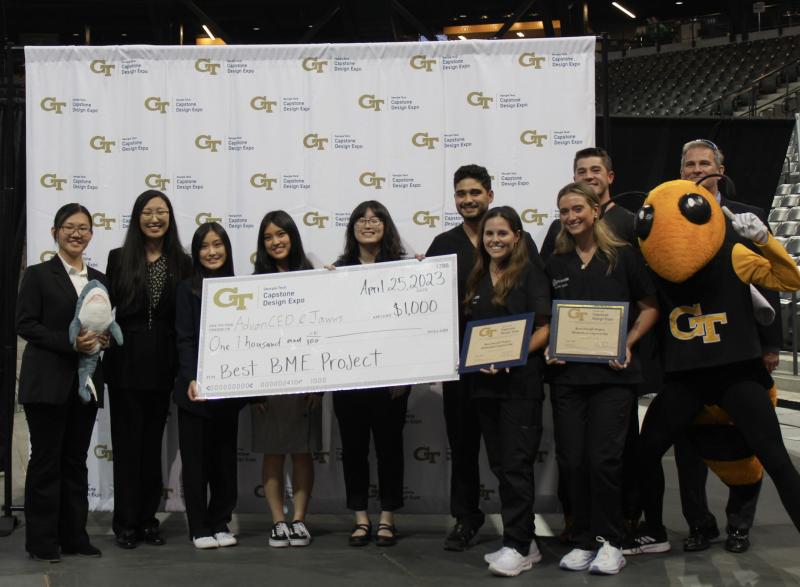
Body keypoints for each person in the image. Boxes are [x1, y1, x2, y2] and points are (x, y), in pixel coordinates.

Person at [425, 164, 543, 551]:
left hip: (509, 374)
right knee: (463, 446)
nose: (467, 200)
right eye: (460, 193)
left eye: (475, 192)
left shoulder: (522, 251)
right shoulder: (443, 244)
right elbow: (423, 300)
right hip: (460, 368)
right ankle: (466, 516)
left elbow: (540, 313)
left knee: (506, 457)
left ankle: (519, 537)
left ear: (490, 195)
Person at [544, 182, 659, 575]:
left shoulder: (623, 257)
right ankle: (581, 539)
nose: (571, 216)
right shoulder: (556, 262)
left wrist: (627, 342)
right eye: (564, 211)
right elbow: (546, 319)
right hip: (567, 379)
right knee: (572, 461)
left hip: (614, 377)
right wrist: (548, 343)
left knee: (604, 461)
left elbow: (649, 308)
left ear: (595, 209)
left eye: (577, 208)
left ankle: (611, 541)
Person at [674, 139, 781, 554]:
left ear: (720, 168)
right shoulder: (669, 217)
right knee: (687, 448)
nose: (697, 170)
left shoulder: (750, 217)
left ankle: (740, 525)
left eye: (704, 163)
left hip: (743, 348)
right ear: (680, 172)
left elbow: (770, 282)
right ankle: (699, 525)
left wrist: (770, 344)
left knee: (747, 442)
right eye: (689, 165)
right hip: (689, 351)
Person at [16, 203, 110, 561]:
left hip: (84, 386)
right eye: (69, 226)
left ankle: (75, 537)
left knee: (75, 462)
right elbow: (25, 323)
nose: (77, 233)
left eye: (84, 227)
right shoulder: (39, 274)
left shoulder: (100, 279)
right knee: (45, 461)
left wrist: (103, 340)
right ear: (55, 232)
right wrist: (68, 342)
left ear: (91, 234)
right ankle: (42, 542)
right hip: (47, 384)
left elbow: (106, 325)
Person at [463, 206, 551, 577]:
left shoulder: (531, 273)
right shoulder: (478, 275)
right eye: (488, 234)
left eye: (502, 233)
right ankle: (525, 540)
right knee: (500, 464)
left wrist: (512, 355)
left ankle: (517, 546)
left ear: (517, 236)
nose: (495, 240)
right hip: (484, 386)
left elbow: (545, 327)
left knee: (516, 465)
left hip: (520, 385)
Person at [104, 189, 191, 549]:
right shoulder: (118, 258)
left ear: (170, 218)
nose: (155, 218)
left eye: (162, 211)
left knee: (152, 447)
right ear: (137, 217)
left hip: (162, 365)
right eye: (148, 211)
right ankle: (124, 523)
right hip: (124, 364)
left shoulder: (182, 262)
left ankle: (146, 520)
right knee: (126, 448)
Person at [330, 200, 410, 548]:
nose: (368, 224)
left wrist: (404, 375)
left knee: (390, 449)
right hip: (349, 378)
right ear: (352, 228)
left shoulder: (403, 269)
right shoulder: (339, 270)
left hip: (391, 378)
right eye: (361, 219)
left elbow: (411, 325)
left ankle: (388, 518)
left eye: (376, 219)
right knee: (353, 450)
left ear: (386, 226)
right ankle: (361, 518)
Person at [251, 210, 322, 549]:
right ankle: (278, 521)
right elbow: (246, 339)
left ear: (292, 237)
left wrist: (319, 386)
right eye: (268, 237)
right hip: (267, 383)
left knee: (303, 451)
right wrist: (253, 390)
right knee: (273, 453)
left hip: (307, 381)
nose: (276, 241)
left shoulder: (313, 277)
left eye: (281, 234)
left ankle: (299, 520)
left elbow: (326, 331)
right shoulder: (252, 283)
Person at [174, 222, 243, 549]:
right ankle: (199, 527)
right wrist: (191, 378)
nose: (212, 252)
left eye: (218, 245)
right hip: (195, 393)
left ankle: (220, 521)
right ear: (196, 252)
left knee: (225, 462)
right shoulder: (187, 289)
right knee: (196, 462)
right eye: (204, 246)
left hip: (228, 393)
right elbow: (184, 339)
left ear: (227, 249)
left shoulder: (241, 289)